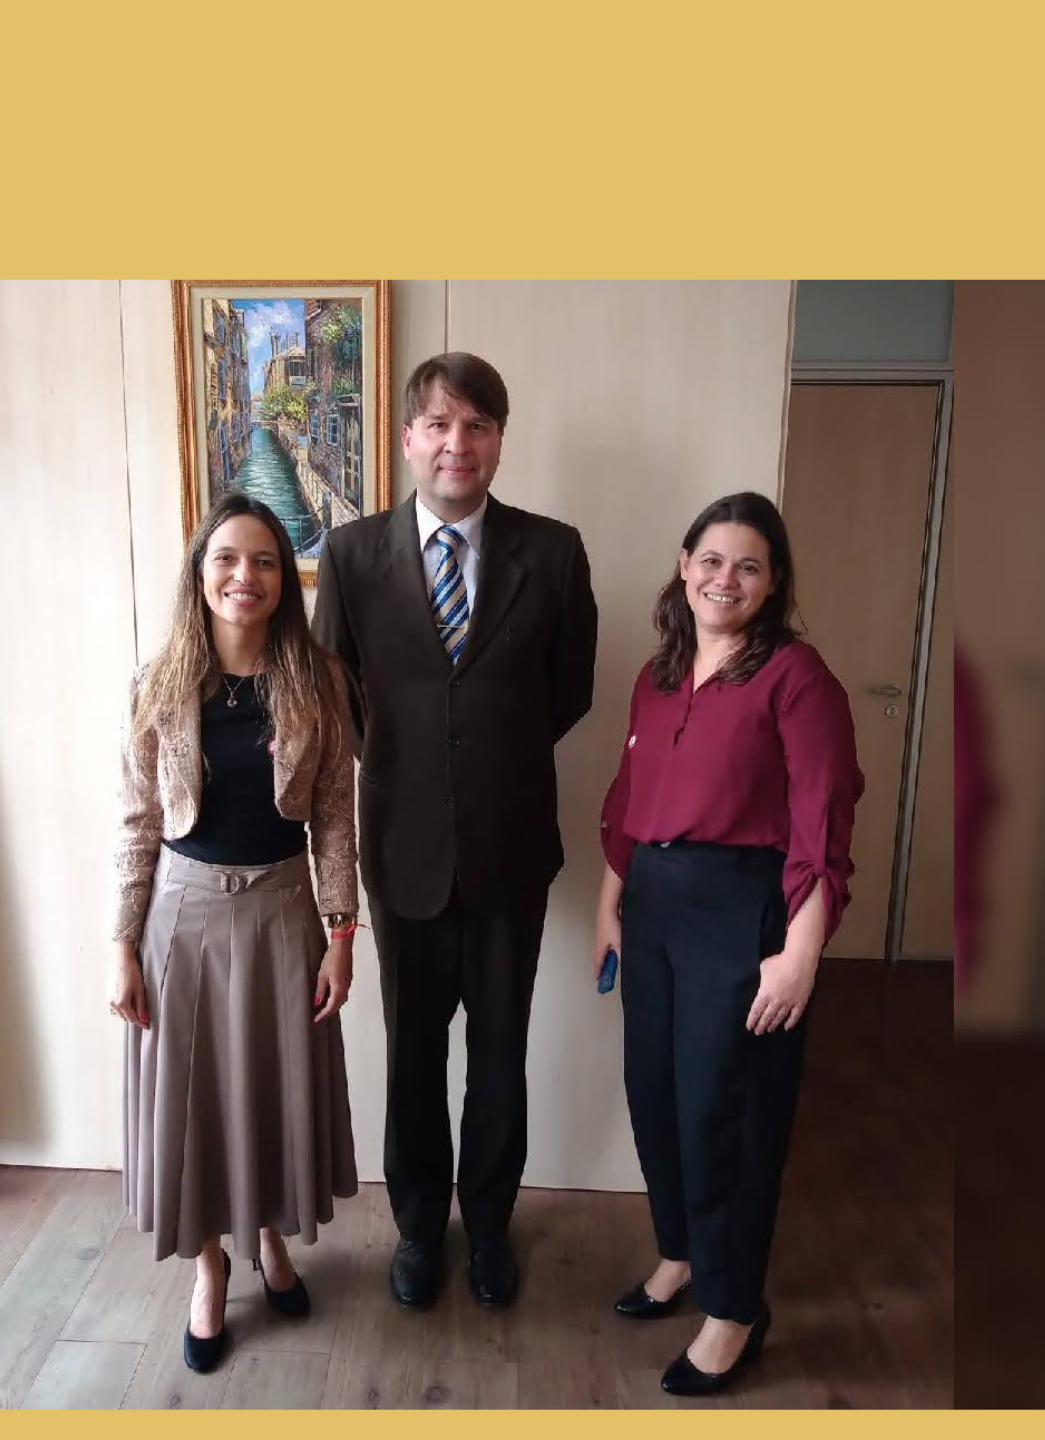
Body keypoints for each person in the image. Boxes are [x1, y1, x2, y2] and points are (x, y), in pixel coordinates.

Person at [309, 352, 598, 1310]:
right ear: (407, 438)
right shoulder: (352, 557)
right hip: (403, 855)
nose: (456, 443)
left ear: (499, 440)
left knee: (500, 1057)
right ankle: (419, 1229)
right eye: (438, 423)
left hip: (511, 852)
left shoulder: (553, 553)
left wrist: (484, 761)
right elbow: (336, 696)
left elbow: (569, 691)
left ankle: (490, 1227)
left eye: (476, 424)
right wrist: (416, 765)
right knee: (414, 1057)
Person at [594, 491, 864, 1396]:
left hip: (745, 915)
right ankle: (680, 1253)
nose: (726, 579)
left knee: (729, 1115)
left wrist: (801, 954)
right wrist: (610, 906)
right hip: (653, 908)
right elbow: (629, 800)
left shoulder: (797, 677)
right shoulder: (658, 674)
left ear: (773, 581)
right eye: (711, 560)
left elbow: (823, 819)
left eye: (749, 566)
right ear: (684, 566)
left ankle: (735, 1307)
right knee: (656, 1094)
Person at [110, 493, 362, 1374]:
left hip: (284, 916)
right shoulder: (158, 682)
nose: (243, 576)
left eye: (263, 560)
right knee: (199, 1098)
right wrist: (120, 945)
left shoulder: (319, 680)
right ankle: (212, 1265)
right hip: (182, 923)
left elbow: (335, 818)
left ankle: (269, 1234)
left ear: (284, 579)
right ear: (200, 572)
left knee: (269, 1088)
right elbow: (138, 821)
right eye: (226, 558)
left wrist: (342, 933)